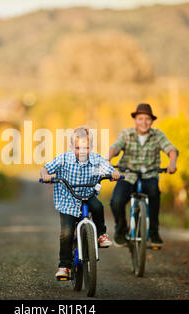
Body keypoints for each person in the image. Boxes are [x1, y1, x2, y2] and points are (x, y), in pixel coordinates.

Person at [40, 126, 121, 279]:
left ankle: (101, 234)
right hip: (68, 199)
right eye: (78, 148)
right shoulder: (64, 158)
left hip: (87, 194)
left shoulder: (96, 159)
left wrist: (113, 173)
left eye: (86, 147)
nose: (82, 151)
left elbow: (106, 167)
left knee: (98, 207)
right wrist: (45, 175)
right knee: (66, 233)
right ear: (72, 147)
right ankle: (64, 266)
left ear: (91, 147)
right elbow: (45, 168)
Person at [106, 103, 178, 248]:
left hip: (149, 175)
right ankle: (121, 230)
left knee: (154, 194)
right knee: (116, 201)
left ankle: (153, 231)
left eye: (147, 119)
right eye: (140, 119)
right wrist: (108, 158)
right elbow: (116, 147)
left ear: (151, 121)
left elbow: (171, 150)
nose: (144, 122)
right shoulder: (126, 134)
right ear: (135, 120)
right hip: (128, 175)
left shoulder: (158, 135)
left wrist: (172, 163)